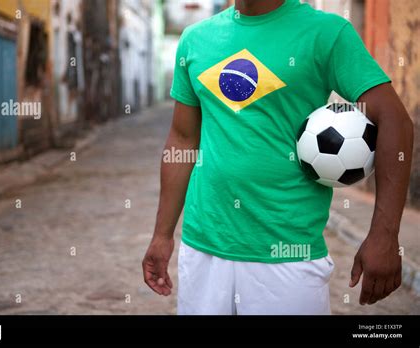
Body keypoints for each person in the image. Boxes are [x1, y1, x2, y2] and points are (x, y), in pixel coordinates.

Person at [142, 0, 413, 314]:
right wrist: (162, 235)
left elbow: (395, 120)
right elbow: (183, 138)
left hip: (288, 255)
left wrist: (384, 234)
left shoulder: (327, 33)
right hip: (202, 249)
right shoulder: (195, 39)